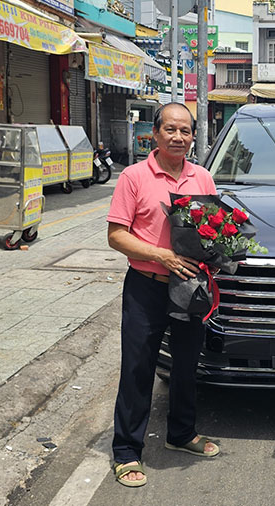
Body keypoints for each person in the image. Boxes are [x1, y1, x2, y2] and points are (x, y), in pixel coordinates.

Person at [106, 102, 220, 488]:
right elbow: (116, 235)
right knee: (138, 368)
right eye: (170, 129)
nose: (178, 137)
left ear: (193, 136)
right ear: (154, 134)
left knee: (187, 364)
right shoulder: (134, 177)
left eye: (185, 131)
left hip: (190, 286)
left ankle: (181, 434)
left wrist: (217, 256)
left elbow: (211, 230)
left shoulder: (203, 178)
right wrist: (163, 256)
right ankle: (126, 450)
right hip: (146, 286)